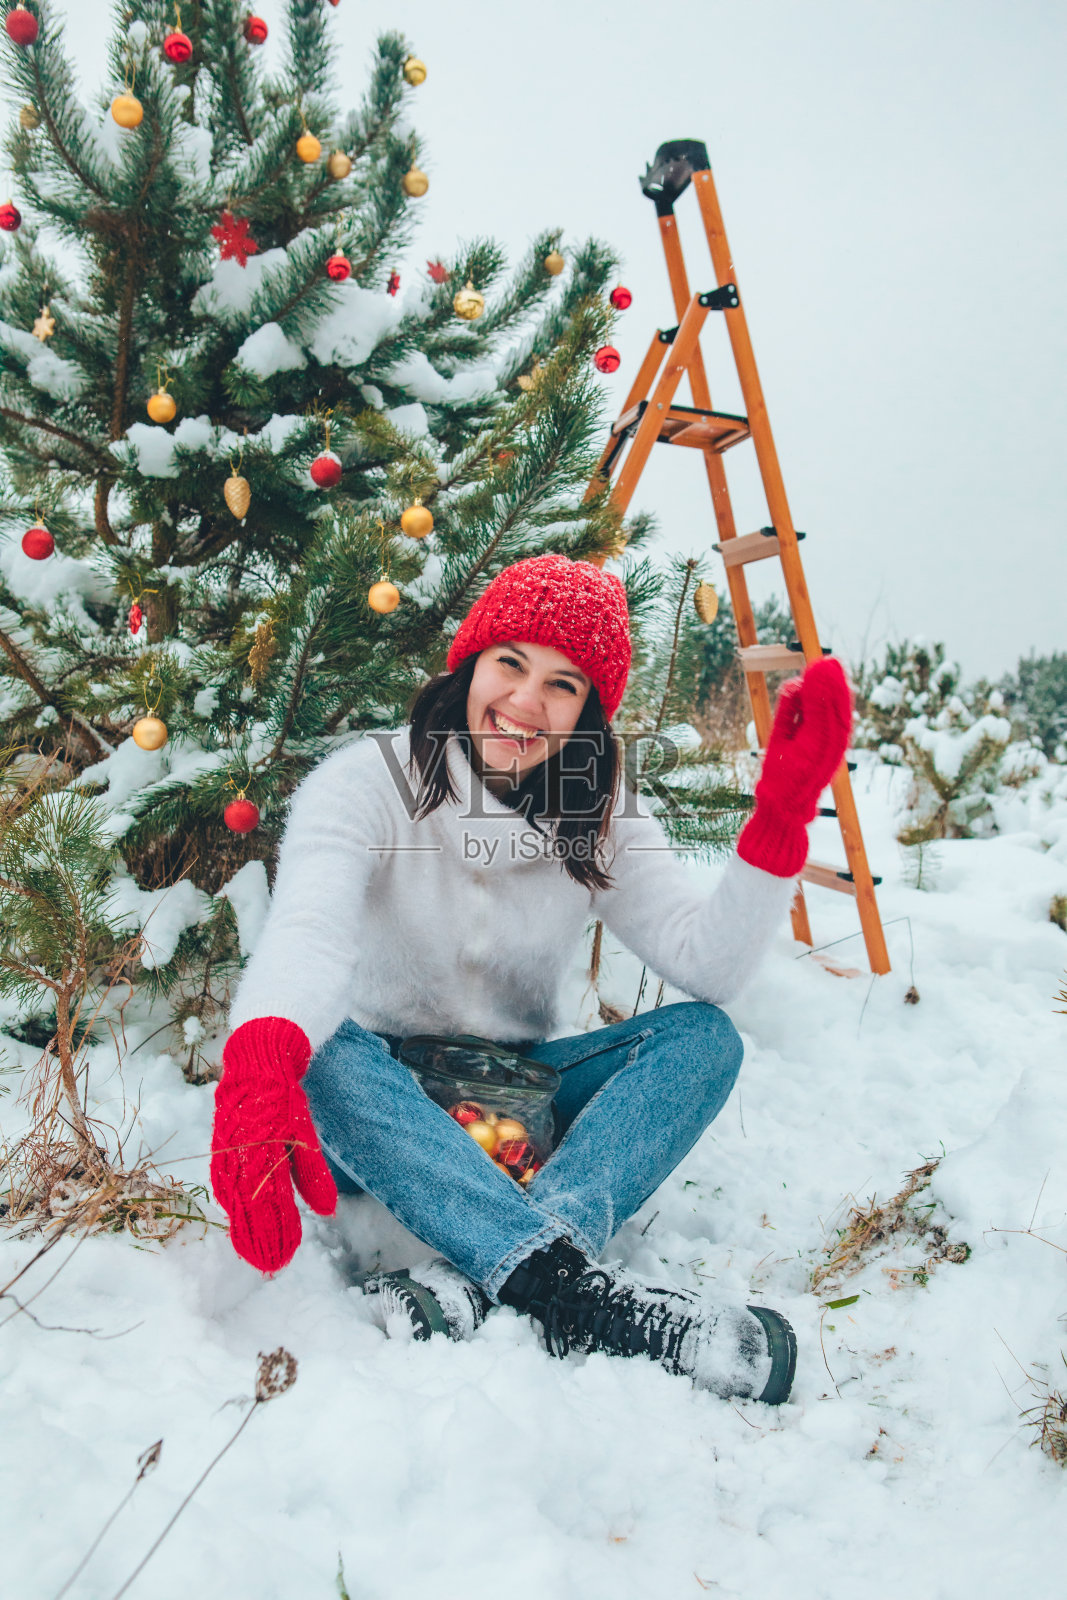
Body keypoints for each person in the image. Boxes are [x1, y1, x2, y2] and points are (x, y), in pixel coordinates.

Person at [210, 554, 852, 1405]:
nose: (524, 701)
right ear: (470, 665)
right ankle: (574, 1292)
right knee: (321, 1045)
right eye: (510, 663)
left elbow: (709, 965)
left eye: (562, 684)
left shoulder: (598, 809)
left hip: (517, 1106)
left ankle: (501, 1268)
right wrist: (262, 1051)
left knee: (702, 1038)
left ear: (588, 710)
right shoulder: (367, 781)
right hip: (384, 1115)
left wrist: (777, 820)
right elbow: (310, 930)